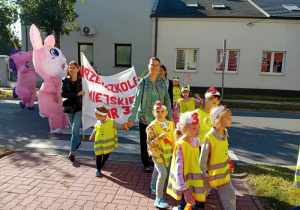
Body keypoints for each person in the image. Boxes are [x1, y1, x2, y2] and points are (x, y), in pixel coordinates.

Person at [127, 57, 172, 173]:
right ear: (149, 66)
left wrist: (170, 117)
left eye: (157, 65)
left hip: (159, 118)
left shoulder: (162, 82)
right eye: (153, 65)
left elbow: (167, 100)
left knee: (156, 139)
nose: (155, 67)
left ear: (159, 67)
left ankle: (152, 157)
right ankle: (145, 162)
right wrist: (132, 117)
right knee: (145, 141)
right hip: (145, 118)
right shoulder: (143, 82)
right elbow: (136, 101)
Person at [167, 111, 206, 210]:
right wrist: (184, 190)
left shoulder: (196, 141)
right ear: (184, 129)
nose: (198, 130)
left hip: (193, 182)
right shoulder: (181, 146)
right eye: (194, 128)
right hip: (185, 185)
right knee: (186, 206)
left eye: (199, 127)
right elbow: (178, 170)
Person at [200, 105, 236, 210]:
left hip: (223, 174)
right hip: (209, 176)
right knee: (199, 196)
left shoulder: (225, 133)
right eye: (228, 118)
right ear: (219, 120)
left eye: (230, 117)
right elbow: (203, 158)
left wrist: (228, 158)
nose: (231, 120)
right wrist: (203, 174)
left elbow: (224, 149)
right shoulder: (209, 138)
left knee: (230, 196)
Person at [146, 101, 175, 209]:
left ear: (166, 113)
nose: (160, 113)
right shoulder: (152, 126)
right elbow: (149, 142)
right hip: (156, 152)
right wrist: (158, 138)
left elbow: (173, 138)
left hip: (167, 153)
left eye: (162, 111)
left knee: (158, 170)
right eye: (157, 111)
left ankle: (153, 184)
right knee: (163, 173)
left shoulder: (171, 124)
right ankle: (158, 198)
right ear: (153, 113)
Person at [89, 106, 129, 176]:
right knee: (98, 155)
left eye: (97, 115)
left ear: (102, 116)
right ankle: (98, 169)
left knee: (106, 154)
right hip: (99, 142)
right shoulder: (98, 122)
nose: (96, 117)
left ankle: (103, 162)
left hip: (107, 143)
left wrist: (124, 127)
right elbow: (95, 129)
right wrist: (92, 135)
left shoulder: (111, 121)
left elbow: (119, 126)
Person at [61, 61, 85, 162]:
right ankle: (78, 140)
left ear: (78, 69)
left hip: (78, 108)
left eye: (73, 67)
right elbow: (63, 94)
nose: (71, 69)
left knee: (75, 129)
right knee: (74, 130)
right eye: (70, 67)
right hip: (68, 108)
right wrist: (77, 94)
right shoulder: (65, 80)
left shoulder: (82, 81)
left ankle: (72, 152)